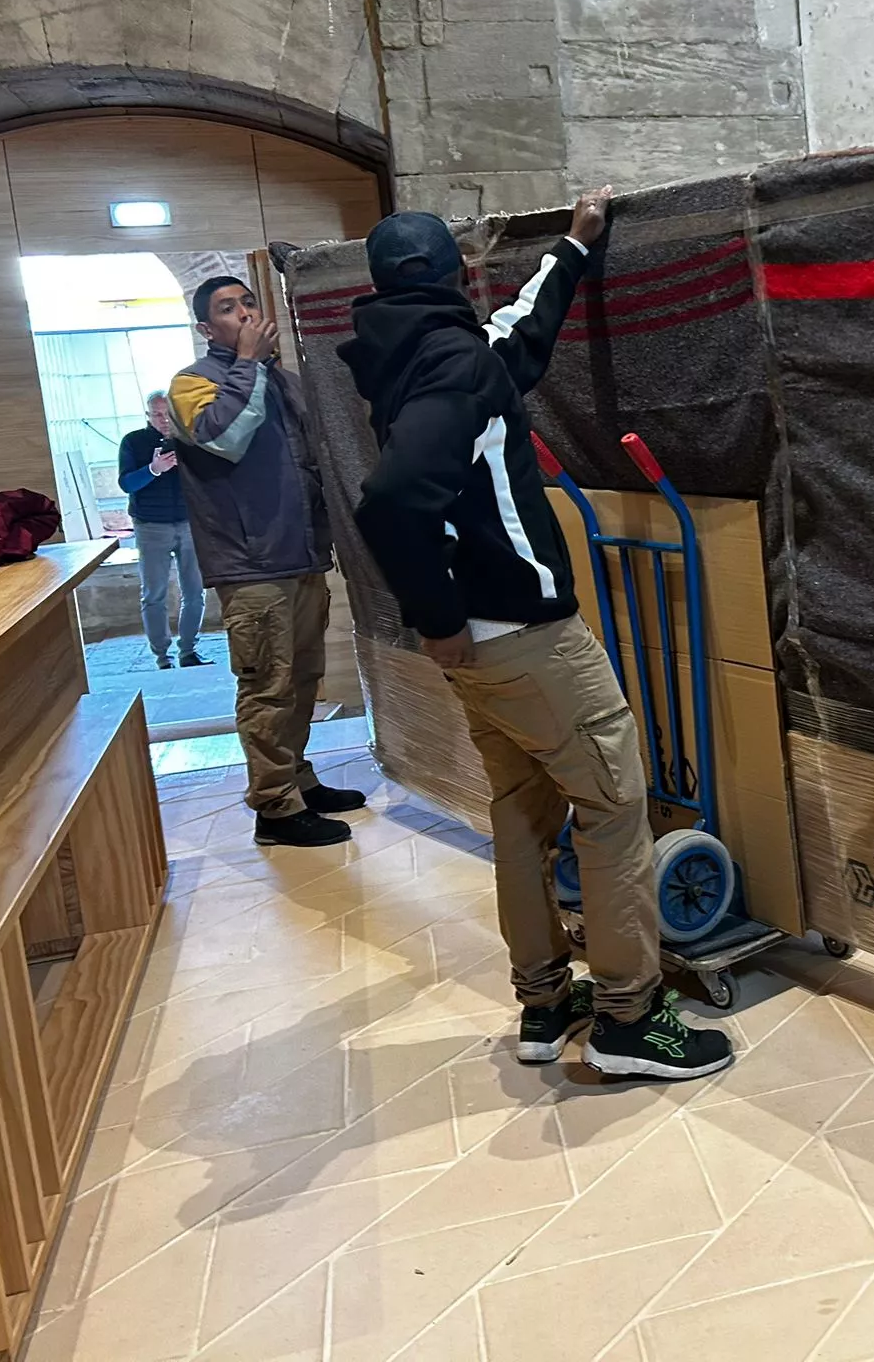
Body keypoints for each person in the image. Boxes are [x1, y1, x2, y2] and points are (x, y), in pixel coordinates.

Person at [340, 193, 734, 1082]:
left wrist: (573, 247)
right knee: (613, 806)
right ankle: (631, 1018)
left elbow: (516, 342)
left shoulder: (412, 359)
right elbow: (395, 501)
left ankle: (546, 1000)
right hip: (524, 637)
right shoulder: (452, 363)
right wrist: (435, 618)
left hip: (486, 654)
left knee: (523, 813)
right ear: (458, 278)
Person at [168, 276, 367, 848]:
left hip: (302, 555)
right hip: (251, 568)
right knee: (267, 687)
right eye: (227, 309)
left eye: (249, 301)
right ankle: (275, 809)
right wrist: (250, 365)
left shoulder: (287, 382)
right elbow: (224, 438)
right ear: (207, 329)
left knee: (303, 679)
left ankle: (298, 781)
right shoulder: (191, 384)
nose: (245, 314)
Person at [118, 390, 209, 670]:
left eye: (167, 413)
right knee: (153, 593)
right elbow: (126, 484)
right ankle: (161, 656)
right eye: (156, 414)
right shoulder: (133, 441)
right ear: (148, 416)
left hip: (188, 523)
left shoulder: (189, 438)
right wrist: (153, 469)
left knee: (195, 591)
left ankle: (188, 650)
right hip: (150, 526)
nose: (163, 419)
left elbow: (208, 478)